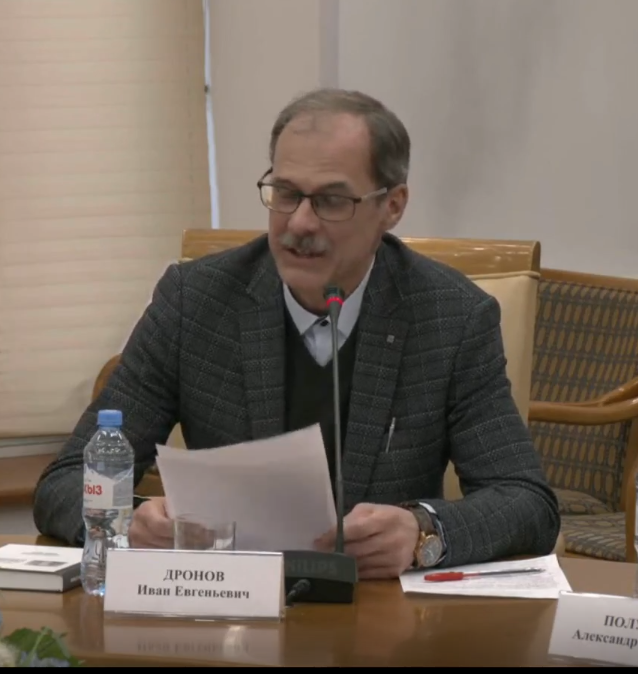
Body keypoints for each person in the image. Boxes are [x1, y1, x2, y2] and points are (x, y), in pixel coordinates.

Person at [33, 88, 560, 578]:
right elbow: (66, 480)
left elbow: (525, 502)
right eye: (285, 193)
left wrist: (424, 532)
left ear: (392, 206)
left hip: (379, 616)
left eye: (331, 201)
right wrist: (129, 521)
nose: (300, 223)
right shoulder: (196, 302)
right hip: (228, 606)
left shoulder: (450, 318)